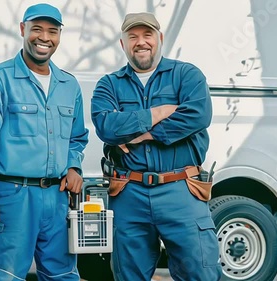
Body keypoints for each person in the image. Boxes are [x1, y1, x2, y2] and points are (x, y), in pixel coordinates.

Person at [91, 12, 222, 281]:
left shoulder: (186, 75)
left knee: (200, 273)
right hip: (130, 194)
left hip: (182, 191)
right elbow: (106, 127)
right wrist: (159, 111)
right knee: (129, 276)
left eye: (147, 34)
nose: (141, 42)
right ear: (123, 44)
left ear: (160, 39)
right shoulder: (109, 85)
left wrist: (141, 135)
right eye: (133, 37)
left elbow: (197, 115)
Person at [0, 3, 88, 280]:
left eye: (52, 31)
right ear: (23, 30)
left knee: (64, 275)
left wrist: (73, 166)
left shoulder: (69, 86)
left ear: (59, 36)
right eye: (37, 29)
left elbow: (77, 137)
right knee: (2, 275)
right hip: (11, 196)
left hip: (57, 198)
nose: (44, 37)